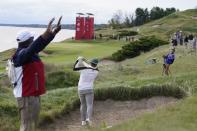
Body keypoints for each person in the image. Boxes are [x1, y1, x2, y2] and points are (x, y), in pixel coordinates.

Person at [12, 16, 62, 131]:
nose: (34, 40)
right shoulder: (20, 55)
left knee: (32, 125)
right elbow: (33, 47)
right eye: (32, 38)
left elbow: (39, 45)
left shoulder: (30, 54)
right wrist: (44, 34)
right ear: (28, 41)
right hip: (26, 96)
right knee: (27, 126)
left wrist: (53, 33)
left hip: (32, 95)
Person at [73, 57, 99, 126]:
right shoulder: (97, 71)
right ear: (96, 65)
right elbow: (90, 67)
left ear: (90, 63)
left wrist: (78, 60)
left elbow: (75, 68)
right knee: (90, 105)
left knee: (83, 105)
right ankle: (89, 120)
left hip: (81, 89)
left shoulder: (84, 69)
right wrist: (83, 61)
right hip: (89, 89)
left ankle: (83, 121)